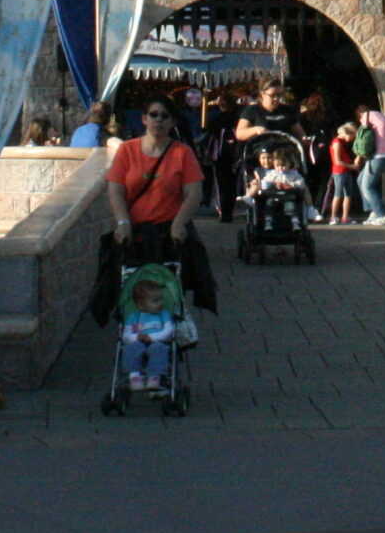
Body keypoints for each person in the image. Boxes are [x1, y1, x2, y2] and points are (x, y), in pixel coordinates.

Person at [105, 92, 206, 255]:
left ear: (172, 122)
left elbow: (194, 193)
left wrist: (179, 223)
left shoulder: (183, 153)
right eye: (153, 114)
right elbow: (115, 190)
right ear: (144, 119)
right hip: (134, 235)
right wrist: (123, 223)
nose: (158, 119)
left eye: (165, 116)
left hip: (170, 236)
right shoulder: (127, 150)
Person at [229, 81, 305, 222]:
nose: (276, 99)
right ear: (262, 94)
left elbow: (299, 133)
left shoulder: (287, 111)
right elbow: (239, 133)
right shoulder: (252, 111)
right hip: (262, 156)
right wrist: (255, 129)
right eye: (273, 95)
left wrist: (305, 140)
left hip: (284, 157)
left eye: (279, 95)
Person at [120, 273, 180, 390]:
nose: (160, 303)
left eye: (161, 299)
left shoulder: (163, 314)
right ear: (140, 304)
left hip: (158, 342)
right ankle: (134, 376)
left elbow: (168, 331)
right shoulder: (134, 317)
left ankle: (154, 377)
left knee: (158, 348)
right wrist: (137, 337)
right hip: (138, 342)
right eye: (155, 301)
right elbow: (126, 336)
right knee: (131, 348)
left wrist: (152, 338)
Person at [359, 98, 385, 225]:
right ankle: (373, 210)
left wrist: (360, 154)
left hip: (378, 155)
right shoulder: (384, 117)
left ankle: (382, 213)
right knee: (360, 180)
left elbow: (364, 138)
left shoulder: (366, 116)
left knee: (367, 186)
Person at [327, 112, 362, 225]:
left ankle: (345, 217)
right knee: (338, 194)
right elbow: (337, 161)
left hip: (346, 171)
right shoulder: (337, 143)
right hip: (339, 172)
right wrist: (351, 166)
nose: (352, 139)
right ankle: (333, 216)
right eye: (352, 136)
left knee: (348, 194)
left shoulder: (342, 142)